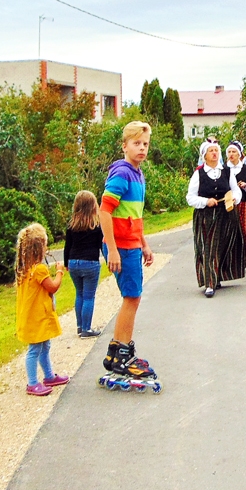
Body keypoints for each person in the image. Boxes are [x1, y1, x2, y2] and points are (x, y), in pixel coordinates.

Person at [99, 120, 157, 381]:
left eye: (145, 144)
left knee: (132, 296)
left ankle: (117, 350)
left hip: (132, 244)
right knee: (132, 297)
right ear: (124, 146)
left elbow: (135, 214)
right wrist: (112, 249)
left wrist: (144, 243)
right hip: (120, 246)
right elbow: (104, 211)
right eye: (136, 143)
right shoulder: (122, 173)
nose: (142, 148)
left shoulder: (138, 174)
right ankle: (123, 353)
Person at [15, 223, 69, 397]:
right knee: (35, 350)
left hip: (35, 316)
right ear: (39, 247)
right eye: (45, 245)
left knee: (44, 346)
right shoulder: (39, 269)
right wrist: (59, 272)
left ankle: (49, 376)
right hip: (36, 318)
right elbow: (52, 287)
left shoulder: (25, 269)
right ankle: (32, 383)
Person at [187, 140, 246, 297]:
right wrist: (206, 201)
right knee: (208, 248)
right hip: (206, 216)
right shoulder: (198, 174)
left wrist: (234, 199)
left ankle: (218, 276)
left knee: (223, 245)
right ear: (204, 155)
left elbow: (235, 190)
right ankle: (209, 284)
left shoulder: (227, 172)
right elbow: (190, 198)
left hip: (226, 214)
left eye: (216, 150)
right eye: (211, 150)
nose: (214, 153)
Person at [64, 190, 103, 338]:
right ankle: (87, 328)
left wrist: (67, 262)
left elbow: (67, 246)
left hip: (74, 262)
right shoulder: (96, 225)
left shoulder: (72, 225)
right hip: (90, 262)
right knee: (88, 297)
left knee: (79, 294)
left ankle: (80, 326)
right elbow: (101, 245)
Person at [226, 140, 246, 261]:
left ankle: (242, 257)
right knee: (230, 231)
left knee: (244, 231)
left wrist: (245, 185)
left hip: (244, 204)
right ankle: (231, 258)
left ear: (239, 154)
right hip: (229, 204)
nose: (231, 154)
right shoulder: (224, 169)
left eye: (234, 151)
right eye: (229, 152)